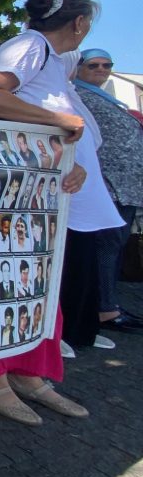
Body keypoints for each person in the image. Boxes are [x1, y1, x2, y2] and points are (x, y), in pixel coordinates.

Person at [0, 0, 112, 424]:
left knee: (38, 286)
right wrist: (57, 120)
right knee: (5, 282)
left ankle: (29, 372)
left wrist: (70, 158)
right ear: (79, 23)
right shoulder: (30, 46)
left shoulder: (49, 58)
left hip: (44, 195)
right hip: (17, 197)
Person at [73, 48, 143, 333]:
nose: (101, 69)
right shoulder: (77, 96)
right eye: (93, 65)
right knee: (107, 244)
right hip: (106, 183)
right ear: (79, 68)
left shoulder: (106, 99)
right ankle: (105, 308)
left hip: (126, 184)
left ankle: (109, 303)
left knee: (116, 244)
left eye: (106, 65)